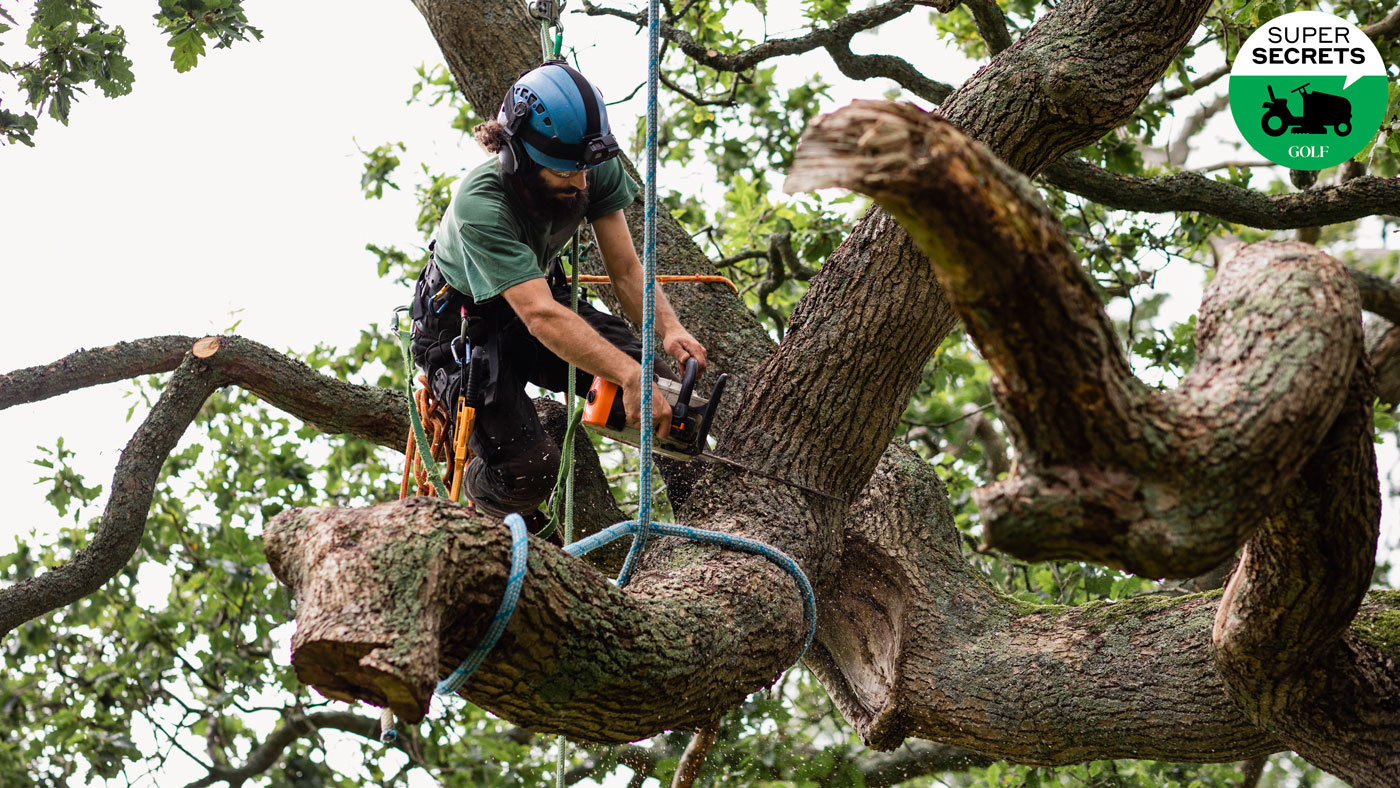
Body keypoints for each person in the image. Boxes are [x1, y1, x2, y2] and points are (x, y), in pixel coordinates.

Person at [411, 60, 707, 527]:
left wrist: (667, 329)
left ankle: (706, 516)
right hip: (466, 330)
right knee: (530, 470)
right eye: (565, 172)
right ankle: (480, 491)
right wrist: (625, 374)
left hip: (540, 302)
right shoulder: (480, 203)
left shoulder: (584, 163)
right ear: (516, 158)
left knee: (662, 390)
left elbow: (626, 271)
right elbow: (541, 317)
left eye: (585, 169)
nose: (581, 183)